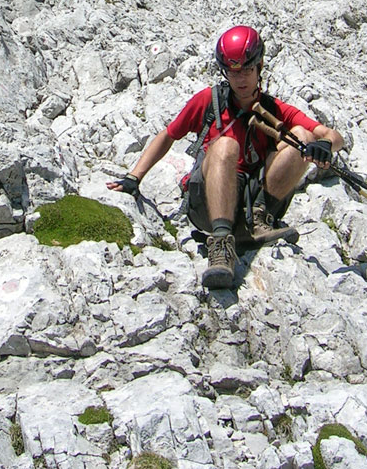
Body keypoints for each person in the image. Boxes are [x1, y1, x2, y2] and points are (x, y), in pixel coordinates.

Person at [107, 25, 343, 290]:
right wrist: (134, 176)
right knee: (225, 146)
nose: (240, 78)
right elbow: (169, 135)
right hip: (207, 203)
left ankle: (259, 218)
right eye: (232, 71)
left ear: (259, 66)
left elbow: (332, 135)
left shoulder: (273, 110)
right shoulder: (209, 101)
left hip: (253, 204)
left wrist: (324, 144)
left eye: (246, 70)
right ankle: (221, 243)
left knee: (303, 135)